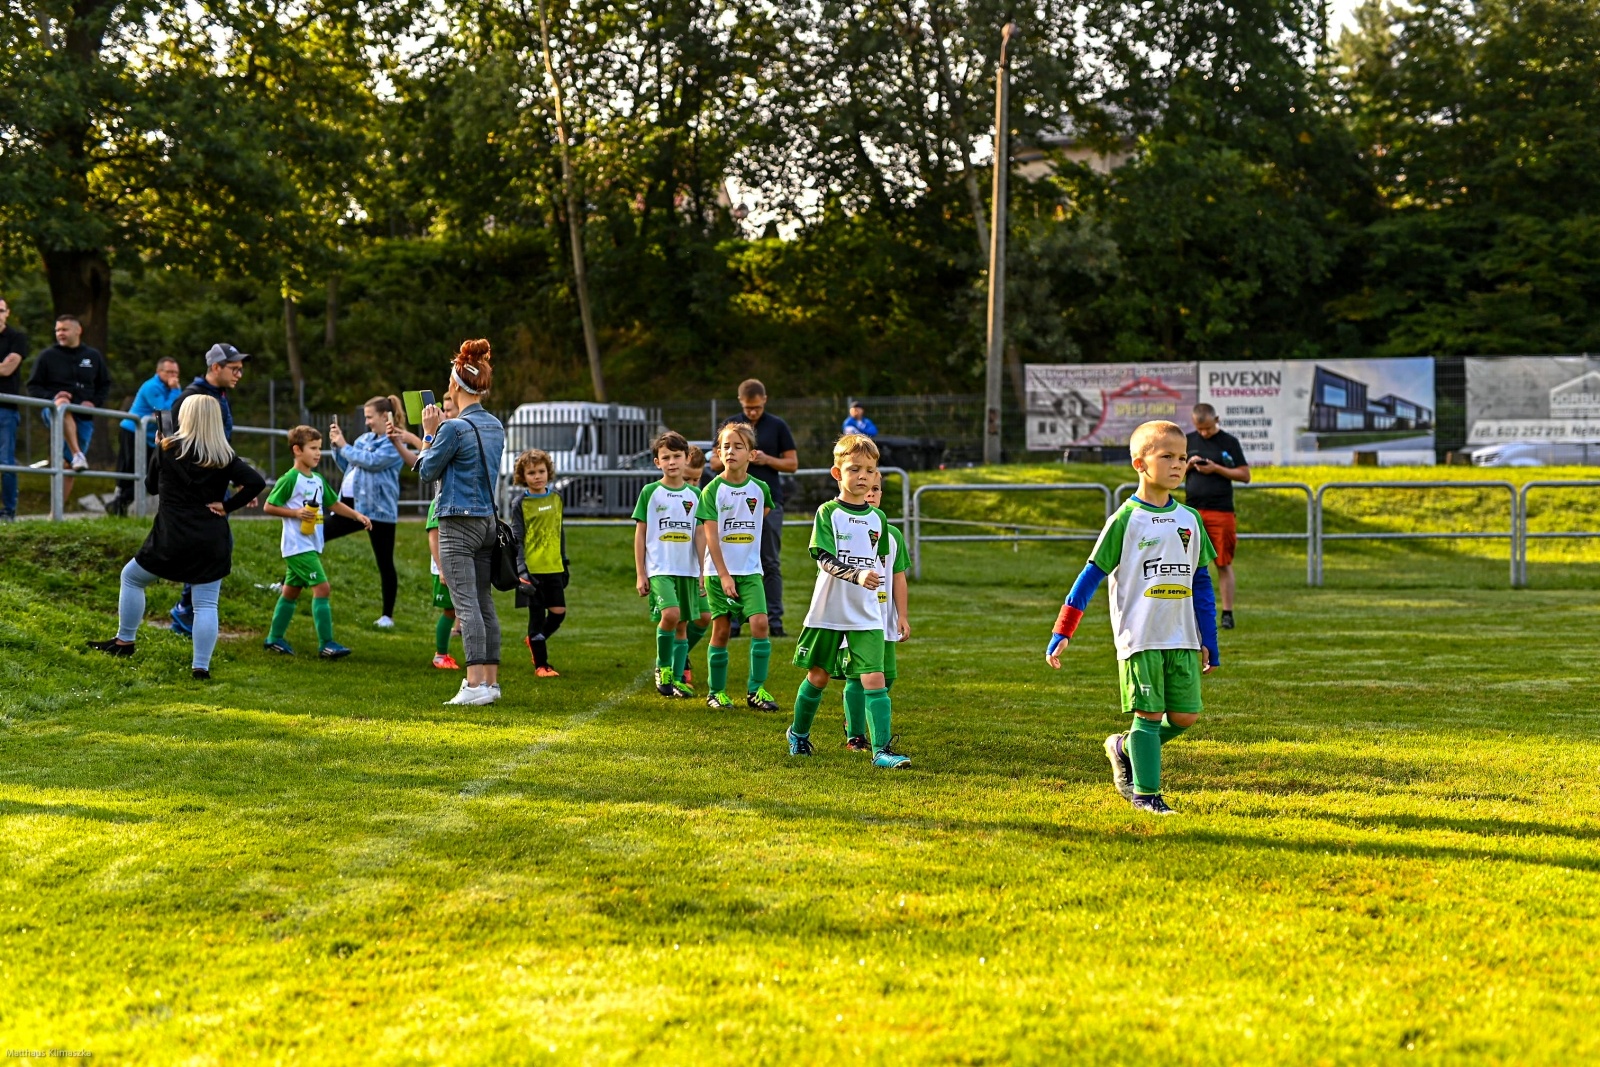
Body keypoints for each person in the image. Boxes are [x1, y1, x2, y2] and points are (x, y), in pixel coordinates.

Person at [1045, 420, 1221, 816]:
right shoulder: (1125, 519)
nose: (1178, 465)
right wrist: (1063, 630)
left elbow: (1202, 583)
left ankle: (1125, 746)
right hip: (1140, 637)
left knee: (1185, 716)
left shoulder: (1190, 519)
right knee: (1150, 714)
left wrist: (1209, 637)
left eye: (1182, 458)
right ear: (1140, 464)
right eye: (1167, 457)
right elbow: (1089, 576)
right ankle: (1146, 794)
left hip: (1182, 637)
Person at [87, 395, 266, 680]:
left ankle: (125, 640)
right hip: (210, 537)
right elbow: (256, 482)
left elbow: (150, 488)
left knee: (131, 577)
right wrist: (228, 505)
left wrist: (159, 448)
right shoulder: (224, 456)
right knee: (206, 603)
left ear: (186, 417)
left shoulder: (168, 449)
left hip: (171, 536)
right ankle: (200, 667)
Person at [786, 433, 910, 769]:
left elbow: (888, 566)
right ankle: (798, 735)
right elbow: (823, 558)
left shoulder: (879, 520)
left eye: (870, 470)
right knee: (819, 676)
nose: (863, 477)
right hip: (829, 610)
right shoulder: (828, 513)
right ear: (837, 473)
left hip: (866, 611)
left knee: (874, 678)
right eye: (855, 469)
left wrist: (897, 612)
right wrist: (855, 575)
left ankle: (881, 750)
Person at [416, 339, 507, 706]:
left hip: (456, 522)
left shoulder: (453, 429)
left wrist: (428, 433)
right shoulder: (495, 425)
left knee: (465, 604)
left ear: (455, 385)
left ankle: (473, 685)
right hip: (487, 520)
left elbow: (425, 471)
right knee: (484, 604)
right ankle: (491, 682)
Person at [260, 426, 370, 658]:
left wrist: (357, 515)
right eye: (313, 449)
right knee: (322, 587)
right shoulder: (290, 479)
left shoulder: (318, 479)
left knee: (290, 592)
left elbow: (333, 503)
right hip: (297, 547)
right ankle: (326, 644)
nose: (318, 453)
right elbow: (269, 505)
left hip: (310, 544)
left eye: (319, 448)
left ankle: (273, 638)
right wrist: (296, 513)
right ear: (297, 450)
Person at [697, 422, 780, 712]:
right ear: (718, 453)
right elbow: (711, 537)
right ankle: (715, 692)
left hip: (751, 572)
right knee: (721, 630)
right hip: (718, 573)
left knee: (760, 624)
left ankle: (756, 690)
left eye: (738, 446)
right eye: (725, 446)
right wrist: (723, 574)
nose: (731, 451)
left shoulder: (760, 489)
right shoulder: (712, 491)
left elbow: (764, 510)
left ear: (752, 455)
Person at [169, 343, 248, 636]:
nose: (239, 374)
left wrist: (234, 476)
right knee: (206, 550)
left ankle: (189, 611)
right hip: (198, 492)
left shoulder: (219, 395)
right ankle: (185, 612)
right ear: (216, 367)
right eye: (234, 368)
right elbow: (178, 446)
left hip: (217, 486)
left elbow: (219, 445)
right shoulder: (192, 398)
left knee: (216, 548)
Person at [710, 379, 798, 636]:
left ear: (765, 401)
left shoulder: (777, 426)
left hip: (768, 502)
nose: (752, 413)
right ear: (741, 403)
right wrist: (733, 454)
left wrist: (766, 459)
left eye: (757, 408)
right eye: (748, 408)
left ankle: (774, 619)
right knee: (732, 559)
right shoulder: (731, 427)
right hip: (730, 505)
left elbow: (792, 463)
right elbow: (714, 460)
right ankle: (734, 618)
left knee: (770, 561)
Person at [841, 470, 909, 751]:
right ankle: (855, 733)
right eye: (867, 487)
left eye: (877, 488)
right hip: (854, 616)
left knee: (887, 675)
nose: (871, 492)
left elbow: (899, 577)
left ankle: (864, 720)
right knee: (859, 677)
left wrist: (901, 615)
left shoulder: (891, 534)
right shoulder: (845, 525)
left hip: (884, 618)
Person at [326, 395, 407, 628]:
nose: (367, 422)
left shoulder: (395, 443)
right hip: (351, 506)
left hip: (379, 511)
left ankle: (387, 616)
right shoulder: (363, 439)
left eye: (370, 417)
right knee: (316, 535)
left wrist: (344, 446)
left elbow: (371, 461)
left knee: (384, 562)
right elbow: (350, 464)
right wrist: (336, 447)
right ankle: (286, 584)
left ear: (384, 416)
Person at [632, 430, 702, 698]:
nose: (672, 462)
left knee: (683, 624)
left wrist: (702, 572)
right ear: (657, 462)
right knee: (670, 615)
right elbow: (640, 534)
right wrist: (641, 573)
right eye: (666, 457)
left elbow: (698, 537)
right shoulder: (651, 492)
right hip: (660, 569)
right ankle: (663, 668)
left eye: (677, 456)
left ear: (686, 459)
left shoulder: (694, 496)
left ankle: (677, 678)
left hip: (687, 569)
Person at [26, 313, 110, 491]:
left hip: (84, 416)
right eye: (57, 330)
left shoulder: (93, 356)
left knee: (70, 467)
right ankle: (77, 453)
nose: (60, 333)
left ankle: (56, 515)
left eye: (64, 329)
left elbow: (104, 384)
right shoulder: (47, 356)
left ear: (78, 330)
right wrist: (53, 397)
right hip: (55, 411)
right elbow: (33, 386)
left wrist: (94, 403)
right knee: (63, 405)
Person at [1185, 403, 1250, 630]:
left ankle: (1227, 613)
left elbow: (1244, 475)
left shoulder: (1229, 442)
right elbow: (1173, 474)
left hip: (1220, 510)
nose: (1204, 434)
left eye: (1209, 430)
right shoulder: (1187, 441)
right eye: (1200, 429)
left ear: (1217, 420)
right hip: (1191, 512)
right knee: (1187, 566)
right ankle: (1189, 613)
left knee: (1223, 563)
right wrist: (1189, 466)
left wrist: (1216, 469)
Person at [510, 448, 570, 678]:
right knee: (536, 617)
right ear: (522, 476)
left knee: (558, 612)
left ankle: (534, 641)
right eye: (532, 472)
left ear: (548, 472)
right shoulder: (519, 504)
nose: (537, 476)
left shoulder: (557, 498)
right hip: (531, 571)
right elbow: (517, 539)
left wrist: (564, 562)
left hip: (554, 567)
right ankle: (542, 665)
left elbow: (559, 531)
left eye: (541, 471)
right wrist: (522, 570)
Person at [111, 357, 181, 516]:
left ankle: (117, 505)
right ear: (159, 372)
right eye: (169, 372)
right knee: (132, 470)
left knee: (152, 472)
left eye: (176, 372)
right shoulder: (152, 387)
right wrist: (175, 392)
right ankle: (118, 506)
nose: (173, 376)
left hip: (151, 437)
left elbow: (176, 410)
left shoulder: (171, 387)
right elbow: (165, 411)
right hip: (133, 432)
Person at [425, 394, 461, 671]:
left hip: (454, 560)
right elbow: (433, 533)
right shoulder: (440, 500)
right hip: (445, 565)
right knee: (450, 610)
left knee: (458, 610)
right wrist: (441, 567)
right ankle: (440, 654)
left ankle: (446, 652)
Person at [0, 297, 28, 521]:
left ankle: (8, 511)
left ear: (7, 313)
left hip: (5, 409)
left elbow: (7, 370)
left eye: (0, 310)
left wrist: (4, 366)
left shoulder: (17, 338)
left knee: (5, 461)